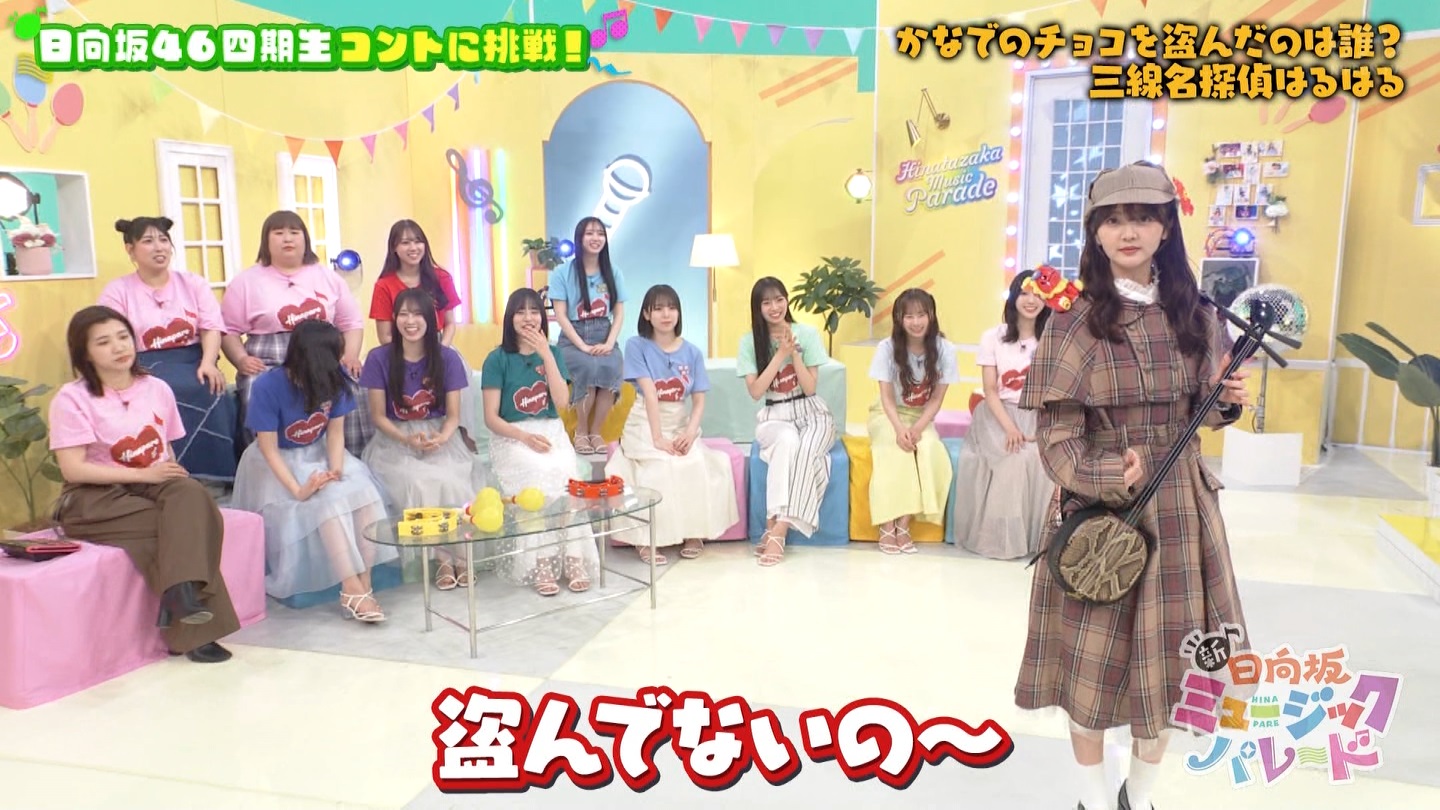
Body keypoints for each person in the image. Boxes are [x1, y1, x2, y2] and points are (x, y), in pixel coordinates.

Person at [1013, 162, 1251, 810]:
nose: (1129, 231)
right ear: (1094, 231)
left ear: (1166, 228)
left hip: (1181, 514)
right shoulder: (1073, 320)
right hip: (1101, 521)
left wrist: (1227, 400)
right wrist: (1103, 474)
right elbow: (1056, 437)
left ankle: (1139, 795)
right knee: (1089, 671)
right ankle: (1093, 798)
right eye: (1114, 219)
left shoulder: (1197, 314)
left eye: (1144, 217)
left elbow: (1207, 411)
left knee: (1170, 668)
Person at [48, 306, 239, 663]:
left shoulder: (156, 388)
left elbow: (165, 451)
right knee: (186, 527)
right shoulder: (71, 399)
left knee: (192, 494)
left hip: (151, 483)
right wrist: (143, 476)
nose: (119, 347)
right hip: (93, 497)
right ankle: (190, 622)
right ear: (84, 353)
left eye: (123, 337)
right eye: (103, 342)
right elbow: (73, 470)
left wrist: (165, 477)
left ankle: (179, 594)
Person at [229, 319, 395, 622]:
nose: (339, 361)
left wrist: (335, 470)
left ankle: (364, 584)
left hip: (320, 452)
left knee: (366, 495)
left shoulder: (334, 378)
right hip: (276, 462)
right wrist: (298, 489)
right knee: (327, 503)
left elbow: (335, 433)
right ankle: (350, 587)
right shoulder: (268, 386)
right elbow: (267, 448)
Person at [359, 287, 485, 590]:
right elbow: (378, 416)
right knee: (418, 481)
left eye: (417, 314)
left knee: (452, 480)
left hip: (440, 434)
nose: (410, 321)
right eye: (403, 314)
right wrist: (407, 441)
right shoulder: (378, 358)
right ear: (394, 319)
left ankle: (461, 556)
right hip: (394, 439)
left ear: (431, 319)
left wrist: (440, 438)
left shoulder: (447, 358)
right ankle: (442, 560)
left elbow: (453, 415)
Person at [220, 210, 372, 457]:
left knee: (353, 387)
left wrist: (351, 355)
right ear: (266, 240)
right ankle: (269, 463)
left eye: (294, 232)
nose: (287, 238)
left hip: (324, 356)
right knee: (256, 390)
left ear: (305, 239)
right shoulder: (246, 281)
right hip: (270, 360)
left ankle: (347, 458)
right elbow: (228, 330)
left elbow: (351, 322)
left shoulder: (327, 276)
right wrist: (240, 359)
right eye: (278, 233)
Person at [98, 217, 239, 482]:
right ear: (130, 249)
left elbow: (211, 326)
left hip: (193, 359)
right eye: (148, 241)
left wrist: (209, 362)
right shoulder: (118, 290)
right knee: (163, 389)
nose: (159, 247)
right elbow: (110, 334)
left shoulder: (193, 283)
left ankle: (218, 476)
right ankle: (168, 474)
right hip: (140, 364)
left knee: (209, 384)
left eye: (163, 240)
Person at [605, 284, 738, 563]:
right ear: (646, 314)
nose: (666, 314)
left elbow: (698, 402)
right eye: (658, 308)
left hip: (679, 422)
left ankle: (694, 533)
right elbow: (650, 394)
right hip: (644, 421)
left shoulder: (692, 352)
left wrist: (690, 433)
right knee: (660, 465)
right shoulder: (636, 345)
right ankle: (646, 539)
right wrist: (657, 438)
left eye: (672, 308)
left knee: (694, 462)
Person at [481, 288, 599, 596]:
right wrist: (524, 437)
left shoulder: (554, 354)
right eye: (520, 312)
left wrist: (546, 354)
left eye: (534, 311)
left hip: (551, 432)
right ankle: (541, 561)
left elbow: (562, 403)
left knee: (567, 476)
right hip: (512, 436)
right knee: (537, 476)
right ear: (510, 318)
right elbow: (491, 418)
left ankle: (573, 558)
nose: (528, 318)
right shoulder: (496, 359)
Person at [952, 269, 1056, 559]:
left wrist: (1040, 427)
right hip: (997, 415)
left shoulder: (1053, 338)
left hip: (1038, 415)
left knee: (1040, 461)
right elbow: (990, 391)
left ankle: (1037, 541)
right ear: (1013, 297)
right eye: (1024, 293)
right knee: (1014, 460)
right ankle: (1000, 539)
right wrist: (1010, 428)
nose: (1031, 300)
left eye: (1038, 294)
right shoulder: (993, 337)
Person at [736, 277, 835, 567]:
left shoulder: (807, 333)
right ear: (757, 308)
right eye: (766, 302)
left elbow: (810, 388)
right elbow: (756, 392)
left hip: (812, 412)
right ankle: (776, 528)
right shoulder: (749, 342)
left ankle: (776, 529)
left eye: (779, 299)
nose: (774, 307)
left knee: (806, 451)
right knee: (789, 441)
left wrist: (794, 355)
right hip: (774, 414)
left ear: (787, 300)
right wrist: (780, 355)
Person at [865, 288, 958, 554]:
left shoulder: (945, 350)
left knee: (929, 448)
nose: (916, 322)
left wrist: (917, 428)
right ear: (899, 319)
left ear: (931, 316)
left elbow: (936, 399)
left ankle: (904, 524)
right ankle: (887, 524)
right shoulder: (886, 348)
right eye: (909, 316)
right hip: (888, 415)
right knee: (895, 449)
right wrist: (899, 429)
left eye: (921, 315)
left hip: (922, 417)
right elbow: (886, 398)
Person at [549, 217, 627, 455]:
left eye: (600, 233)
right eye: (590, 233)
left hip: (604, 332)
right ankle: (581, 431)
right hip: (573, 336)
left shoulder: (613, 272)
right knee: (588, 366)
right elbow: (561, 315)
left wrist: (610, 343)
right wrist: (582, 345)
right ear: (579, 238)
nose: (596, 238)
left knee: (611, 364)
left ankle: (596, 431)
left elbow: (619, 313)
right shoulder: (562, 273)